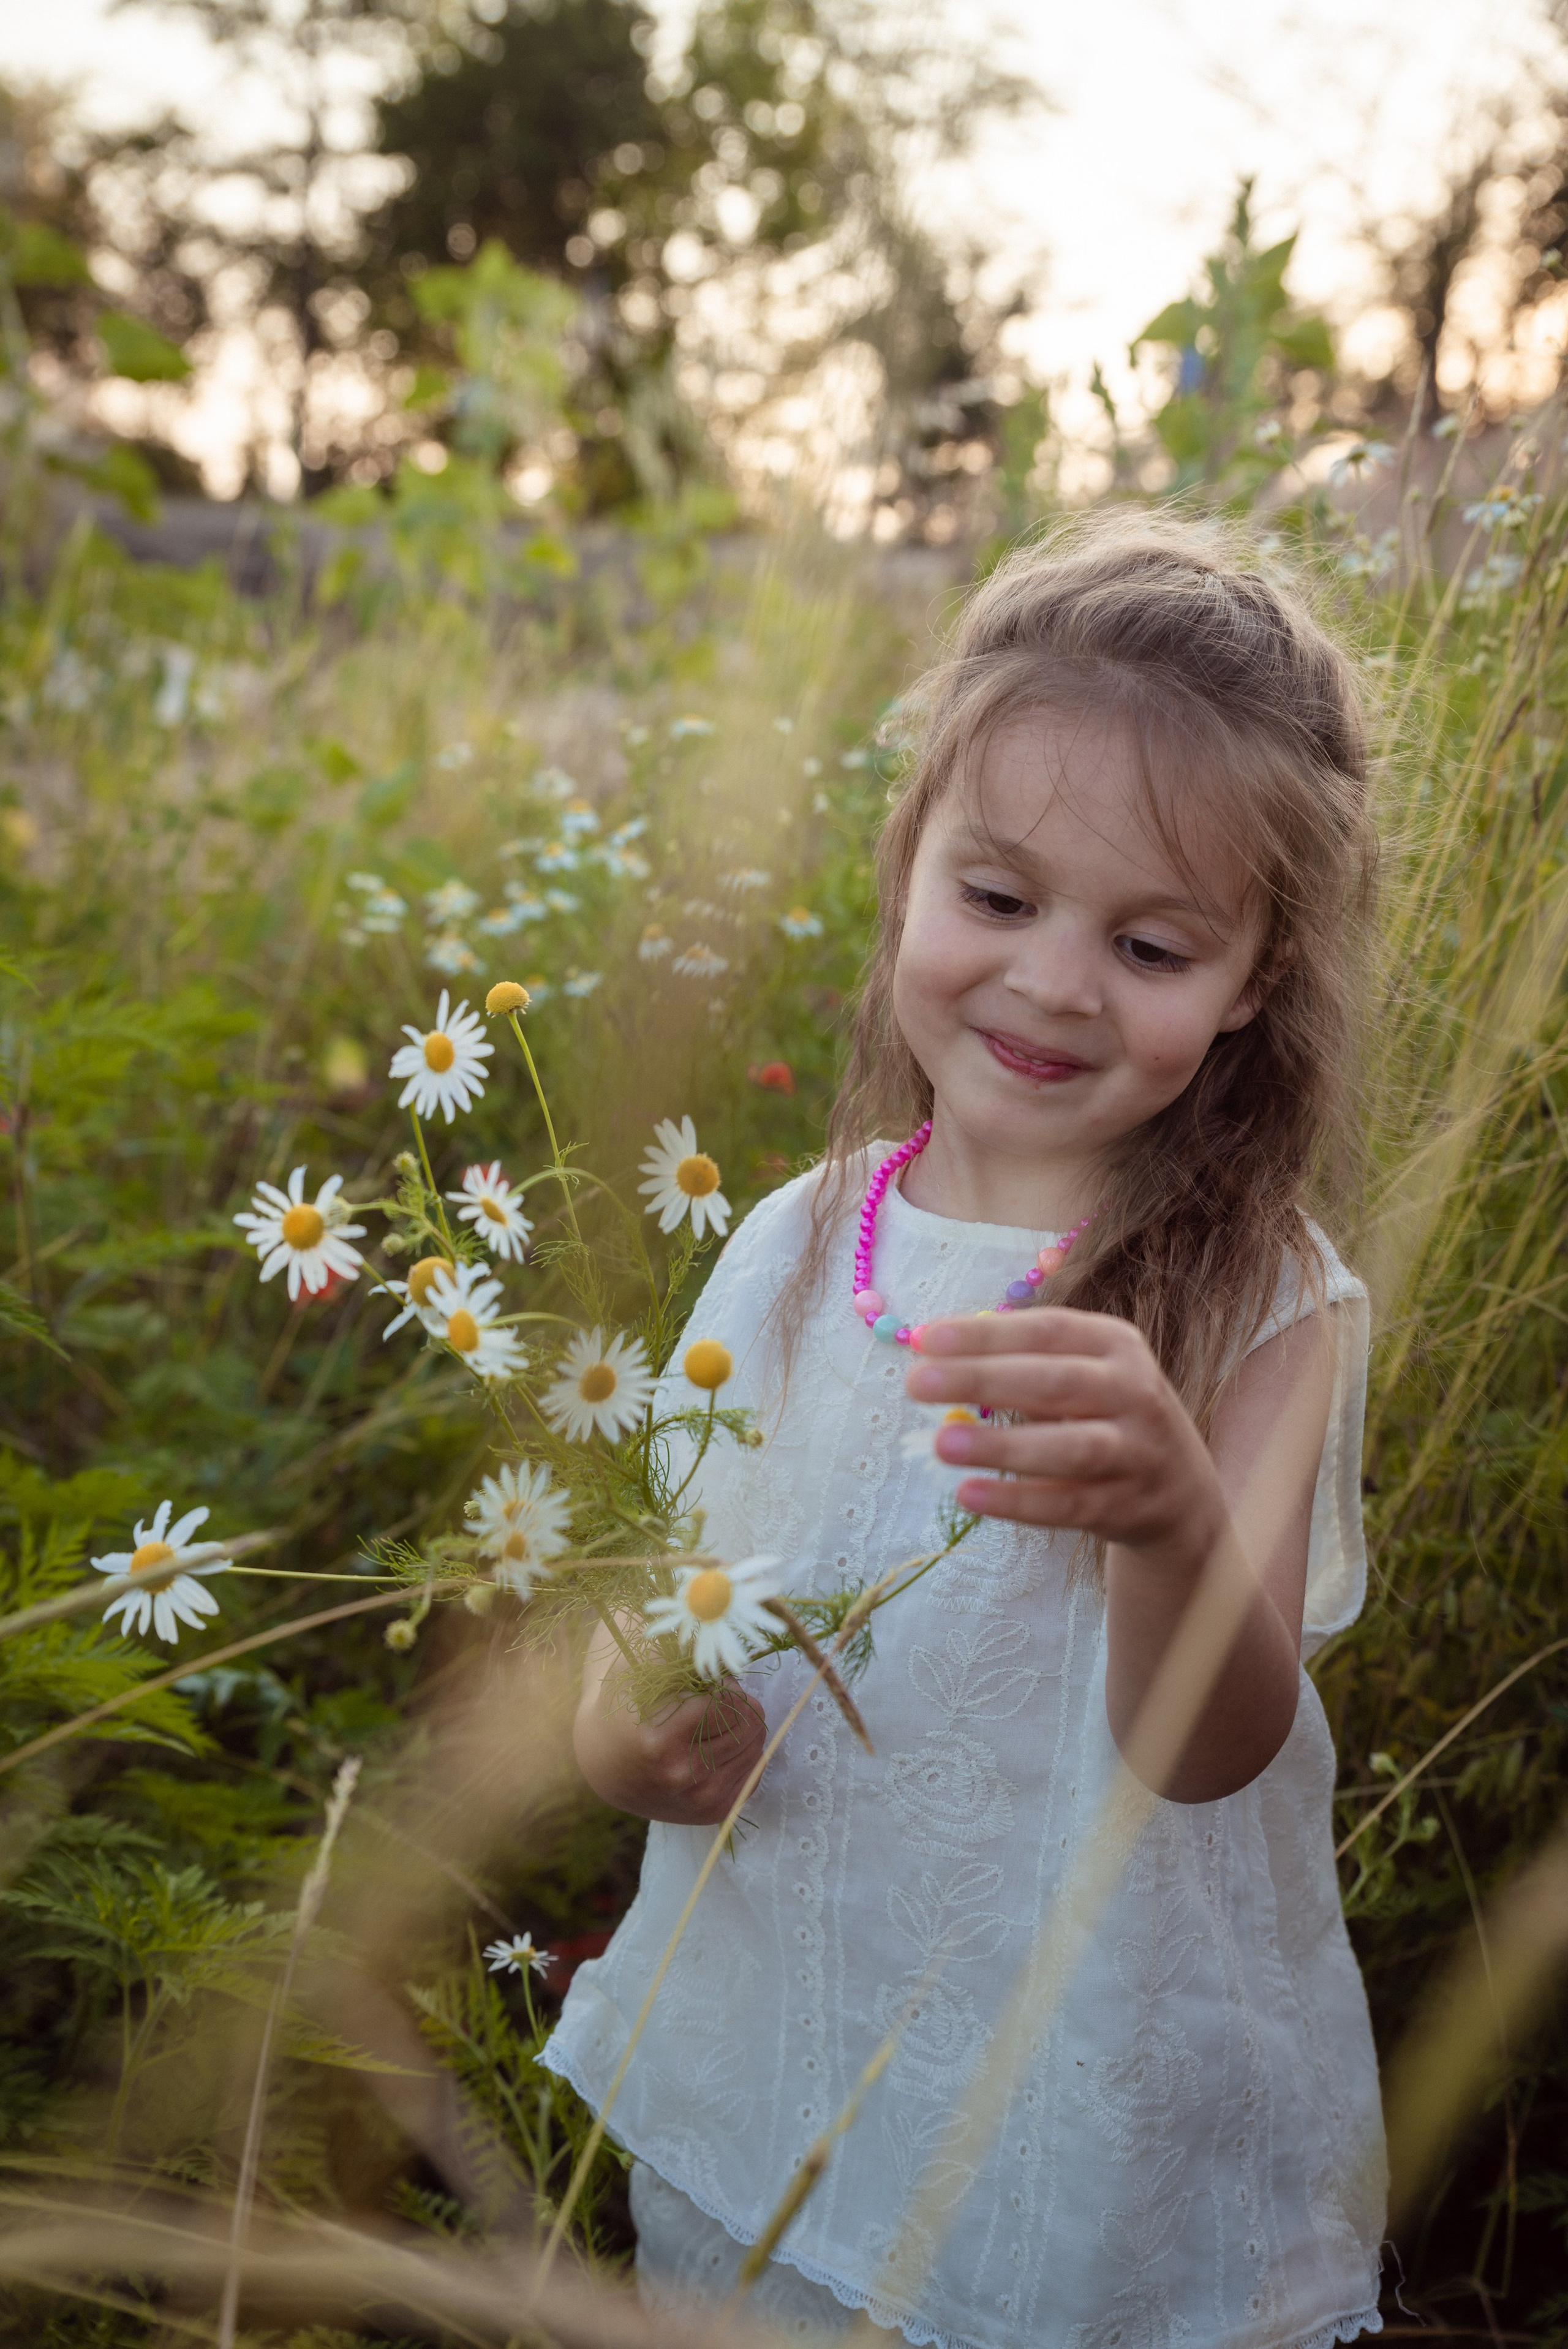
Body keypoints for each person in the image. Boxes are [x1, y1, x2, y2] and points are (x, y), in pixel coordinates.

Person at [542, 513, 1387, 2349]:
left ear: (1253, 977)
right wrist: (628, 1735)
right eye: (999, 900)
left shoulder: (1263, 1304)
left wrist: (1167, 1517)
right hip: (779, 2032)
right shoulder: (791, 1244)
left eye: (1150, 942)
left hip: (1062, 2084)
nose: (1056, 982)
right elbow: (658, 1595)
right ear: (908, 858)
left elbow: (1212, 1751)